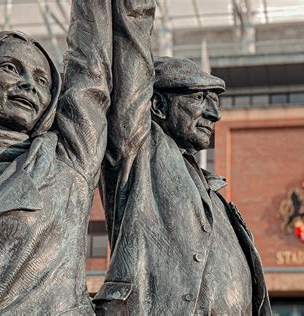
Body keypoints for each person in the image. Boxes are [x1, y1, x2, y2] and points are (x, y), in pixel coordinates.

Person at [0, 1, 112, 314]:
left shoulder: (67, 163)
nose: (28, 84)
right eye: (12, 68)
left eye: (42, 81)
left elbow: (91, 70)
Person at [95, 3, 271, 315]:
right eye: (198, 98)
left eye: (214, 101)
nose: (214, 114)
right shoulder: (138, 153)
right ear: (157, 106)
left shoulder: (211, 191)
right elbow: (129, 58)